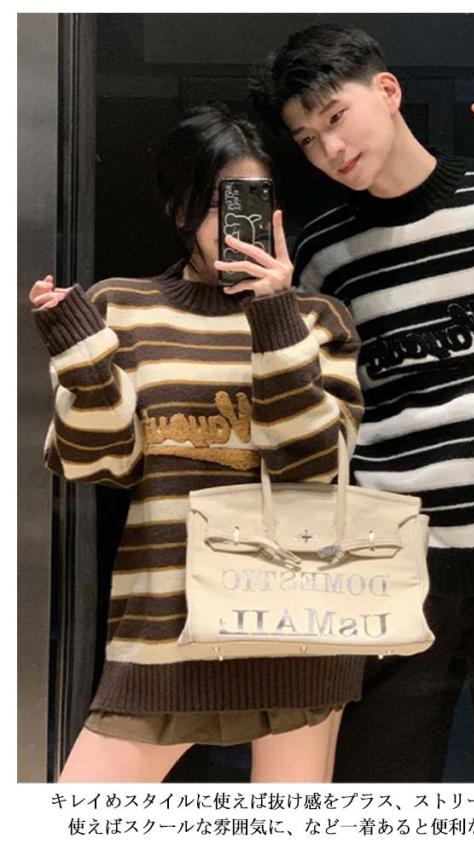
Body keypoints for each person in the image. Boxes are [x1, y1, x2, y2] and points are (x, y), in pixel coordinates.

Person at [250, 23, 474, 782]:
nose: (329, 148)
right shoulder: (326, 259)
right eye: (308, 139)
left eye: (335, 116)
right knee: (377, 803)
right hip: (391, 577)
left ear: (387, 91)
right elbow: (317, 420)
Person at [29, 101, 365, 783]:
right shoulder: (123, 307)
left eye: (253, 202)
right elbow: (97, 462)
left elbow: (314, 467)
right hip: (162, 633)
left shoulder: (316, 319)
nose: (237, 224)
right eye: (219, 204)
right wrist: (83, 357)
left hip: (296, 632)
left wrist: (273, 314)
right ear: (180, 209)